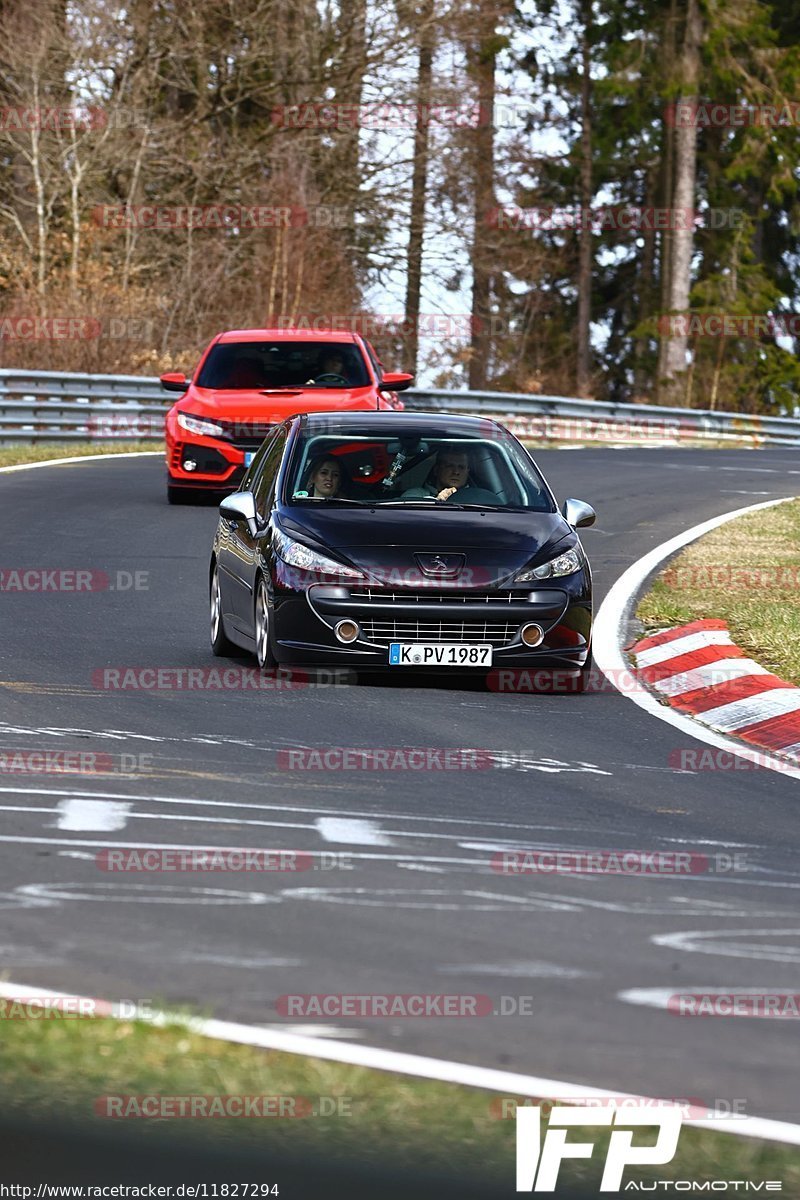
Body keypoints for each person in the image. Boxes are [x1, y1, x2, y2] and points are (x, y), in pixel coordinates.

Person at [400, 445, 470, 501]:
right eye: (449, 466)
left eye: (461, 467)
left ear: (467, 472)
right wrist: (437, 500)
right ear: (436, 470)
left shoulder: (477, 498)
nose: (456, 472)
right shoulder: (416, 495)